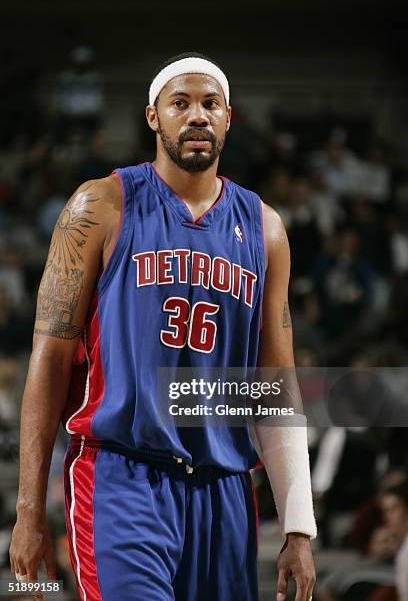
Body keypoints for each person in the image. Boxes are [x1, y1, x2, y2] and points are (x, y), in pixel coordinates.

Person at [9, 52, 316, 601]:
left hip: (223, 488)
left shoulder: (266, 229)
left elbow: (277, 384)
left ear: (227, 119)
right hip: (123, 477)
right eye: (180, 103)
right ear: (154, 117)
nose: (196, 115)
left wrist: (299, 524)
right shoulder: (99, 205)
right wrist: (29, 509)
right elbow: (48, 360)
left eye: (209, 104)